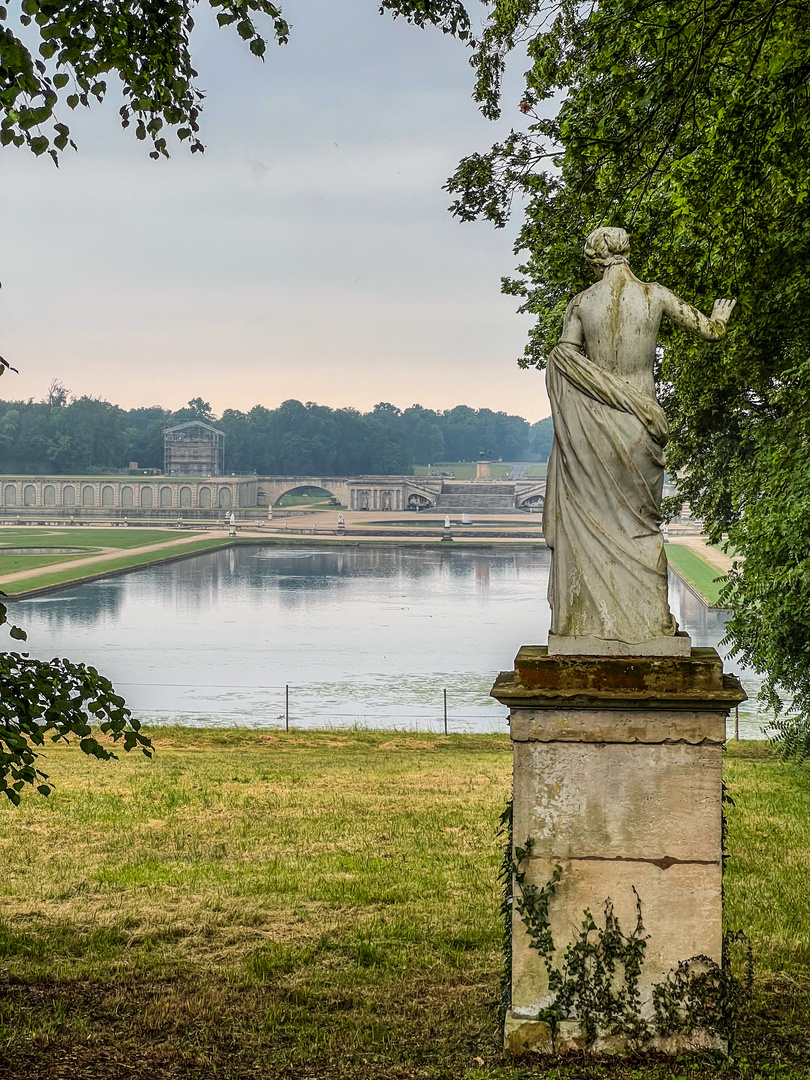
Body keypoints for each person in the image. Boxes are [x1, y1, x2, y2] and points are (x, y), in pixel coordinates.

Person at [544, 227, 735, 645]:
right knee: (641, 525)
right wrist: (720, 317)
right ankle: (649, 624)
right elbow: (710, 332)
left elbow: (563, 360)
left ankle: (587, 624)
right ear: (627, 252)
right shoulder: (656, 295)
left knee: (593, 519)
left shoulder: (580, 303)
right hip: (641, 425)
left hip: (596, 427)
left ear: (595, 258)